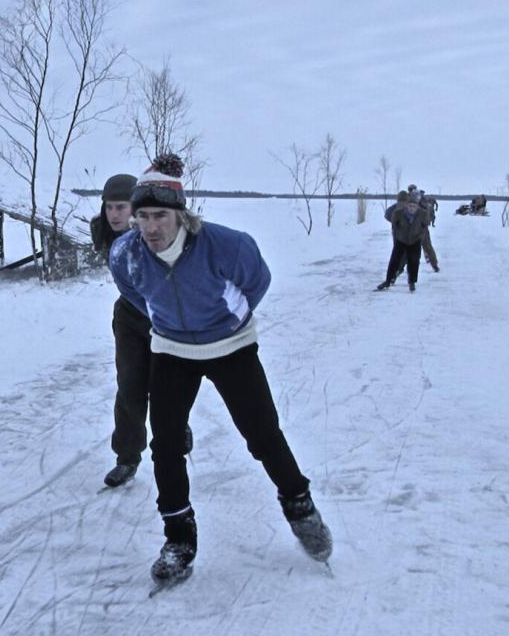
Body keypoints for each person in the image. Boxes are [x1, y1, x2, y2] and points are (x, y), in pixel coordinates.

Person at [109, 154, 332, 584]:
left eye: (160, 216)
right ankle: (179, 538)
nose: (150, 227)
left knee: (263, 435)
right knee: (166, 445)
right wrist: (165, 321)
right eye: (142, 217)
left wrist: (227, 321)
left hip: (231, 347)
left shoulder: (228, 245)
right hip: (171, 350)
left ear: (181, 214)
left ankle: (300, 505)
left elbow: (257, 281)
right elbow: (134, 294)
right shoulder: (127, 254)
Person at [90, 173, 192, 489]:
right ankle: (127, 458)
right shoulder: (103, 231)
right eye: (109, 207)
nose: (114, 214)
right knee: (129, 385)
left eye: (121, 207)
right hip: (129, 317)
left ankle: (178, 428)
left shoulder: (156, 233)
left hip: (164, 317)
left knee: (165, 385)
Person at [376, 192, 429, 292]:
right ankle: (388, 281)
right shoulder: (398, 213)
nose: (412, 208)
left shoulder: (423, 214)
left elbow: (425, 225)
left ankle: (412, 282)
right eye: (410, 206)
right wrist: (397, 234)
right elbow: (394, 223)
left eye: (414, 206)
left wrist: (420, 235)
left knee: (414, 261)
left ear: (417, 207)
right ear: (406, 206)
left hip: (415, 240)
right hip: (401, 239)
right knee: (394, 261)